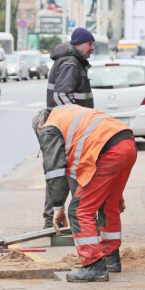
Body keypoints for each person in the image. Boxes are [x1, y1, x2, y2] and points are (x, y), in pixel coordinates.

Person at [33, 105, 136, 283]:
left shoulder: (49, 128)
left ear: (39, 129)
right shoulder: (68, 113)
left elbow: (54, 171)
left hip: (107, 152)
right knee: (108, 204)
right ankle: (111, 258)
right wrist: (116, 192)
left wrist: (58, 207)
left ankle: (94, 266)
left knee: (79, 211)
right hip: (127, 143)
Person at [41, 27, 95, 229]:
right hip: (67, 129)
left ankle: (52, 220)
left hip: (62, 126)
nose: (91, 48)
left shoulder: (70, 61)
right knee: (71, 171)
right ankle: (73, 221)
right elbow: (62, 97)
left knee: (56, 172)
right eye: (89, 44)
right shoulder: (71, 63)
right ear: (78, 44)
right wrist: (78, 123)